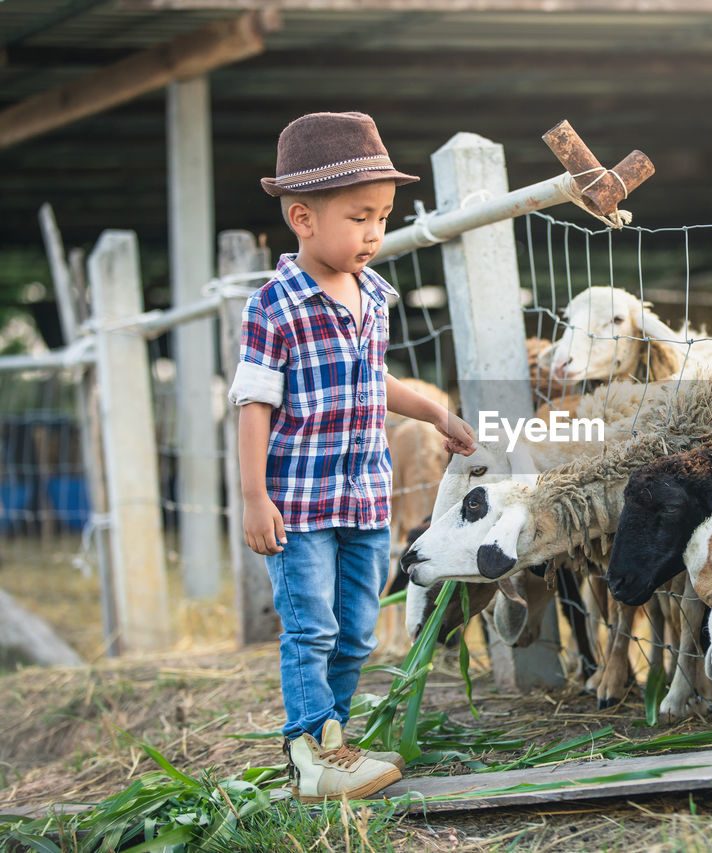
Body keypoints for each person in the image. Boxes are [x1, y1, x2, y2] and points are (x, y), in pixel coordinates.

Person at [228, 111, 477, 803]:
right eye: (360, 216)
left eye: (384, 216)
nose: (375, 232)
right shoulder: (273, 306)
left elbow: (373, 378)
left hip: (364, 497)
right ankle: (308, 745)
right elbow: (253, 404)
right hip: (299, 505)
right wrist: (254, 497)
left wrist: (434, 411)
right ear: (303, 218)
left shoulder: (373, 297)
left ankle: (333, 737)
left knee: (359, 628)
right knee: (311, 626)